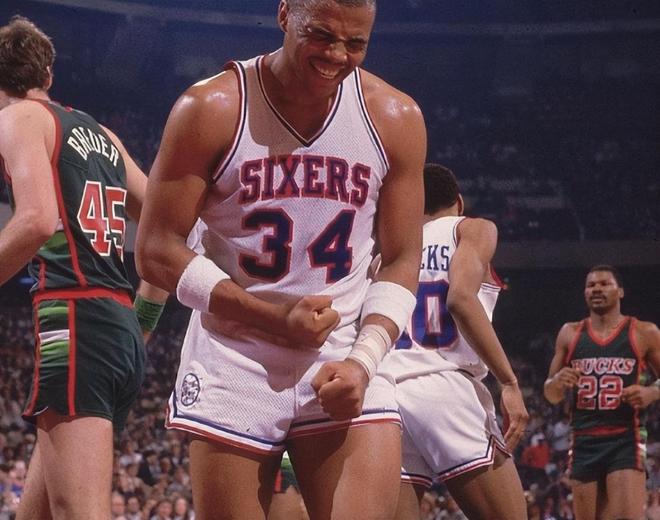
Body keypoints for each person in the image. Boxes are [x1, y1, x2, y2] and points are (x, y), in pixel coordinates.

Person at [135, 0, 426, 518]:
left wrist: (364, 362)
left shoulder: (394, 117)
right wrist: (274, 319)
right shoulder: (211, 107)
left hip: (343, 351)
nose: (336, 56)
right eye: (322, 35)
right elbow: (156, 249)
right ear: (285, 14)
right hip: (236, 355)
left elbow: (403, 258)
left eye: (355, 44)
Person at [0, 16, 168, 520]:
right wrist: (142, 322)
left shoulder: (17, 119)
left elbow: (35, 220)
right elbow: (166, 228)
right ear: (48, 75)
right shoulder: (102, 134)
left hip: (74, 319)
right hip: (116, 327)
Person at [378, 164, 528, 519]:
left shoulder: (387, 251)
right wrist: (509, 382)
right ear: (458, 202)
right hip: (444, 385)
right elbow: (460, 298)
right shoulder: (470, 228)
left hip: (387, 393)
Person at [544, 265, 660, 520]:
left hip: (625, 437)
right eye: (591, 285)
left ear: (621, 291)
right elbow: (550, 394)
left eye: (604, 283)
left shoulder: (643, 331)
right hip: (583, 439)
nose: (596, 289)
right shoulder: (570, 333)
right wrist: (557, 382)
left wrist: (652, 392)